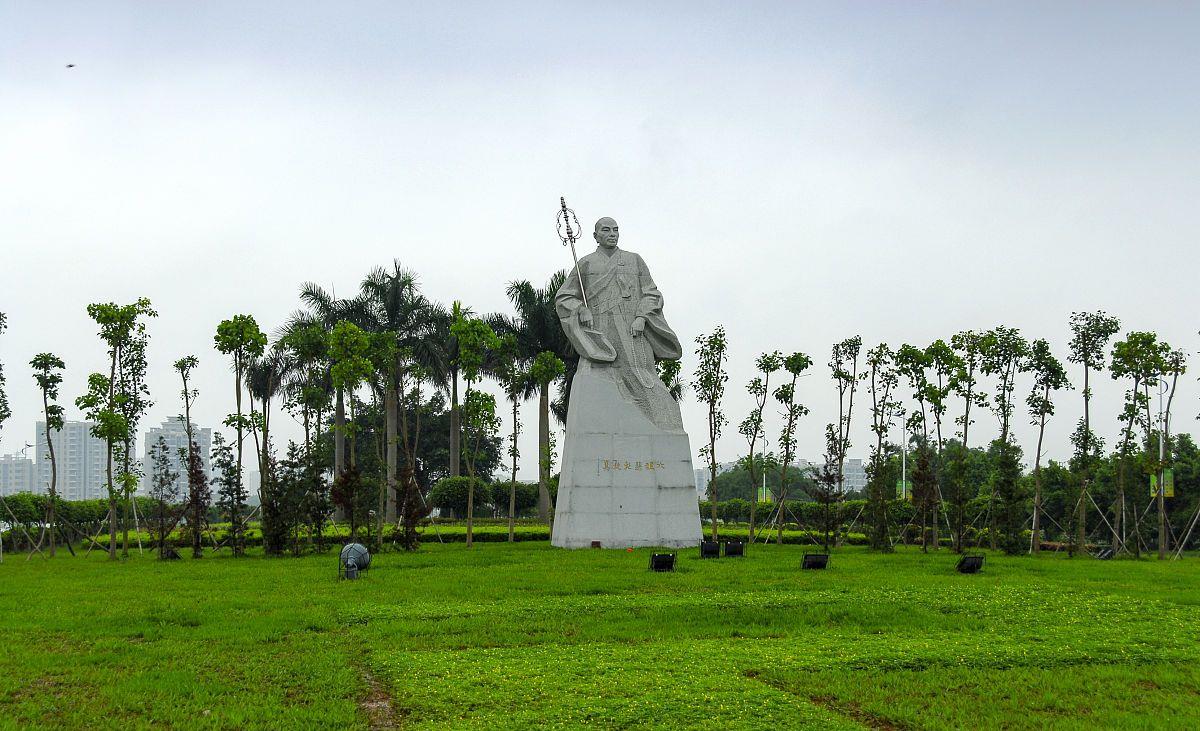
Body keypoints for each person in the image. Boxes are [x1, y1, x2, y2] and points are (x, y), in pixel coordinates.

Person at [555, 217, 684, 432]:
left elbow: (652, 293)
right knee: (598, 376)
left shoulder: (634, 260)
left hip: (632, 329)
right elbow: (564, 297)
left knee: (642, 377)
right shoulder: (585, 264)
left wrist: (642, 317)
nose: (612, 234)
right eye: (606, 230)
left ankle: (663, 423)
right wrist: (581, 309)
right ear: (596, 235)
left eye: (616, 230)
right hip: (599, 331)